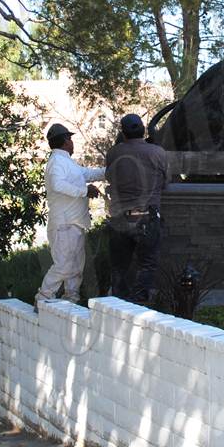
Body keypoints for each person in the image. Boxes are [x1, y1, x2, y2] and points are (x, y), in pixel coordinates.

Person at [36, 123, 105, 305]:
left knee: (75, 267)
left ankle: (71, 300)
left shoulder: (66, 162)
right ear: (66, 141)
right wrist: (84, 191)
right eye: (70, 139)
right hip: (64, 224)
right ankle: (43, 298)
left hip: (74, 223)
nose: (72, 142)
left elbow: (89, 174)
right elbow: (58, 185)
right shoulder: (57, 163)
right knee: (64, 266)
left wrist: (110, 171)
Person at [105, 113, 168, 304]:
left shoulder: (113, 153)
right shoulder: (158, 153)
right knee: (147, 265)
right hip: (147, 218)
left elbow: (109, 178)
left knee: (119, 267)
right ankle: (138, 306)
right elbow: (166, 182)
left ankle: (117, 307)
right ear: (143, 129)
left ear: (123, 134)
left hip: (119, 219)